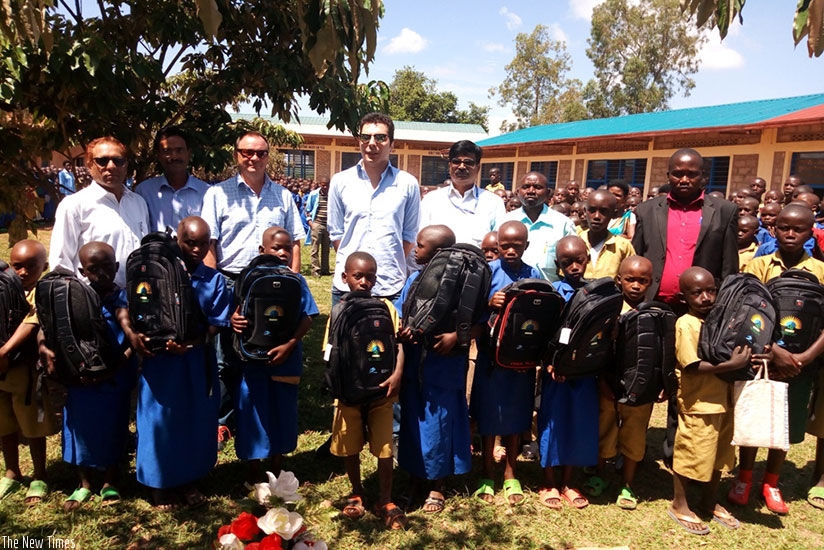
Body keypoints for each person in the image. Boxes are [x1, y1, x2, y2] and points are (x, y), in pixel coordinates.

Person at [121, 217, 231, 510]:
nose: (196, 249)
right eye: (189, 242)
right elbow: (127, 305)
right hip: (161, 362)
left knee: (193, 419)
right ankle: (158, 484)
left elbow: (215, 324)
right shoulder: (155, 273)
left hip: (195, 360)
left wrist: (190, 344)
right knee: (159, 420)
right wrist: (134, 335)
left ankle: (188, 479)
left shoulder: (214, 279)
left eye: (203, 243)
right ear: (177, 241)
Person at [729, 204, 824, 515]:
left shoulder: (821, 271)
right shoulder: (759, 266)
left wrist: (804, 357)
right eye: (784, 227)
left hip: (801, 364)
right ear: (774, 229)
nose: (790, 234)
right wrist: (774, 350)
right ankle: (744, 476)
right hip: (763, 357)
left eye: (799, 229)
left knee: (782, 423)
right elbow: (748, 310)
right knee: (754, 414)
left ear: (812, 233)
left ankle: (771, 481)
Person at [39, 242, 135, 511]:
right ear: (82, 270)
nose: (102, 274)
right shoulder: (72, 298)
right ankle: (84, 483)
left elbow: (132, 339)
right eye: (94, 269)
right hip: (80, 379)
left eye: (108, 267)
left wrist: (115, 367)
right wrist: (44, 347)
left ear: (117, 267)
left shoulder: (123, 299)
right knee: (79, 428)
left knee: (113, 427)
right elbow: (48, 326)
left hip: (114, 377)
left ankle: (109, 480)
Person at [230, 226, 318, 484]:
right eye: (276, 248)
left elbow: (309, 315)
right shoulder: (246, 277)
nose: (282, 253)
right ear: (262, 250)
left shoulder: (296, 280)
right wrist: (234, 319)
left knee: (283, 410)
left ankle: (278, 465)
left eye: (287, 248)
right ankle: (254, 469)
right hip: (253, 358)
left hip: (286, 357)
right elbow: (235, 311)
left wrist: (290, 344)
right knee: (253, 410)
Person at [327, 252, 407, 530]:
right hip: (349, 391)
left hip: (382, 391)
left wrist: (397, 375)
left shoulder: (387, 307)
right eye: (358, 276)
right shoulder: (338, 310)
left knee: (385, 448)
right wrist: (336, 385)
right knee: (350, 446)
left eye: (370, 276)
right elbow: (331, 351)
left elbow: (398, 344)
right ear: (344, 277)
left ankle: (385, 498)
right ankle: (356, 492)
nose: (364, 281)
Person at [398, 225, 472, 514]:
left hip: (444, 365)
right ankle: (414, 477)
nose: (415, 250)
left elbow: (476, 321)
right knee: (414, 421)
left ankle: (437, 484)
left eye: (420, 246)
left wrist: (456, 336)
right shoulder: (414, 279)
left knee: (439, 424)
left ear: (440, 254)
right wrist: (404, 332)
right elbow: (405, 313)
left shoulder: (463, 285)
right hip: (416, 363)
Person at [668, 266, 747, 535]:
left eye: (711, 290)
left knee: (720, 454)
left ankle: (708, 500)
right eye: (697, 293)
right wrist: (731, 364)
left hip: (725, 399)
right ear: (684, 297)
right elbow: (691, 365)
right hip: (700, 401)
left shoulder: (721, 320)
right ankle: (680, 504)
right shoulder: (686, 324)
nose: (706, 297)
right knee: (692, 452)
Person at [470, 221, 542, 507]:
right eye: (505, 245)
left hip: (521, 358)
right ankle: (487, 472)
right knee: (489, 415)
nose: (511, 250)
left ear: (526, 245)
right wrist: (489, 302)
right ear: (497, 245)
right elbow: (473, 308)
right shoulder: (488, 273)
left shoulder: (533, 273)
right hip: (491, 358)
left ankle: (512, 472)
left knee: (517, 414)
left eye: (517, 245)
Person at [328, 113, 420, 306]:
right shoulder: (340, 181)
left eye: (380, 137)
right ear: (358, 141)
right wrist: (353, 264)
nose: (372, 143)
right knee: (342, 336)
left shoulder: (407, 184)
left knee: (388, 337)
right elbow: (336, 233)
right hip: (347, 286)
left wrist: (388, 260)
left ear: (391, 144)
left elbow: (409, 235)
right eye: (366, 137)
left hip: (390, 285)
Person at [588, 256, 655, 510]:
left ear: (650, 283)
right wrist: (602, 379)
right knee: (605, 427)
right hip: (609, 382)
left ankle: (627, 483)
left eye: (642, 281)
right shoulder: (608, 310)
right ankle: (600, 473)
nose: (636, 286)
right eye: (630, 280)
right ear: (619, 280)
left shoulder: (654, 313)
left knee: (634, 432)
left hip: (640, 387)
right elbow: (598, 349)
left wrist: (659, 385)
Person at [537, 236, 598, 511]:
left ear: (587, 258)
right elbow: (545, 334)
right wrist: (551, 363)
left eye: (579, 260)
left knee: (579, 423)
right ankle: (549, 480)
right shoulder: (553, 294)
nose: (574, 267)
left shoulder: (598, 293)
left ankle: (569, 481)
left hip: (585, 371)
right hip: (556, 374)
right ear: (557, 264)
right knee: (554, 423)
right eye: (566, 262)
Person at [0, 240, 57, 504]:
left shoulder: (41, 292)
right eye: (17, 266)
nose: (22, 272)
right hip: (2, 373)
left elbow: (31, 322)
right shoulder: (5, 288)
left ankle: (40, 475)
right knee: (4, 424)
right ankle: (12, 471)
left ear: (43, 267)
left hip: (25, 372)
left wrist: (4, 351)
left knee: (33, 424)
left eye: (30, 267)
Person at [50, 136, 150, 287]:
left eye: (118, 160)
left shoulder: (138, 202)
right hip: (93, 300)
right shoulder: (74, 205)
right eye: (102, 161)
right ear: (90, 164)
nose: (111, 166)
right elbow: (61, 264)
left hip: (137, 296)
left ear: (126, 164)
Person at [419, 140, 504, 248]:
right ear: (449, 166)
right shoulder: (431, 200)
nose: (462, 166)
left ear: (478, 168)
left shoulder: (493, 203)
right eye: (456, 162)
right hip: (439, 264)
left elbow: (499, 243)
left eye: (468, 162)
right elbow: (420, 240)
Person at [496, 171, 577, 282]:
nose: (531, 191)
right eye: (526, 187)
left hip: (549, 293)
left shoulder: (563, 224)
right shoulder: (504, 222)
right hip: (508, 292)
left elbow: (572, 262)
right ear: (518, 191)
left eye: (537, 187)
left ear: (548, 193)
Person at [136, 127, 210, 234]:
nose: (174, 156)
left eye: (179, 150)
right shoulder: (144, 192)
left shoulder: (206, 192)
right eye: (167, 151)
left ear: (189, 154)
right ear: (159, 155)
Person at [580, 190, 636, 279]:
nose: (597, 216)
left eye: (603, 211)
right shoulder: (575, 241)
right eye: (592, 210)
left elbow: (630, 278)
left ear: (613, 214)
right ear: (585, 211)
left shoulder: (623, 246)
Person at [303, 177, 331, 276]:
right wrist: (310, 223)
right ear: (319, 184)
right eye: (323, 185)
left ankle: (325, 270)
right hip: (317, 224)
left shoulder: (332, 195)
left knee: (326, 249)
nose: (325, 187)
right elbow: (307, 210)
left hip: (328, 225)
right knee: (315, 248)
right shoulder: (314, 194)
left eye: (327, 185)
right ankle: (315, 270)